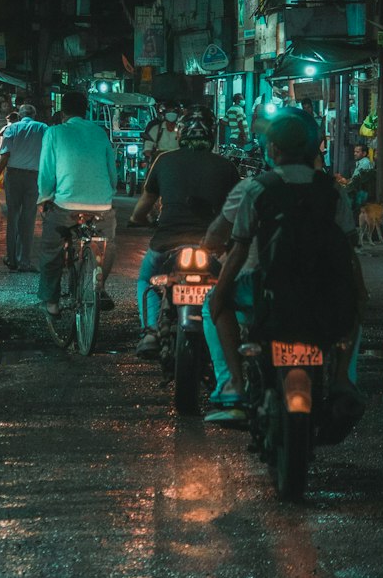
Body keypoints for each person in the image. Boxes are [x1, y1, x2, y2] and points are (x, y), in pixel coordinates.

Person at [207, 109, 367, 427]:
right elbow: (349, 252)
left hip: (265, 290)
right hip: (322, 288)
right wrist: (358, 293)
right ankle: (340, 380)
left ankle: (235, 386)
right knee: (355, 309)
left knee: (217, 304)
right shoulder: (333, 191)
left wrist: (219, 295)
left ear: (273, 150)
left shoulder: (257, 189)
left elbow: (238, 252)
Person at [128, 108, 239, 358]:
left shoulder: (164, 160)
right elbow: (236, 210)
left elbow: (141, 208)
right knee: (229, 286)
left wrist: (140, 220)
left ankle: (150, 332)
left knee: (146, 279)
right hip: (214, 246)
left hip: (167, 242)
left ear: (180, 135)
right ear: (212, 136)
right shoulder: (226, 166)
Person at [36, 90, 118, 314]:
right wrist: (108, 192)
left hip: (66, 206)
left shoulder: (54, 132)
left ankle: (51, 301)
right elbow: (113, 172)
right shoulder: (100, 133)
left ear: (63, 112)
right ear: (86, 111)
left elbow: (46, 171)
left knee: (51, 249)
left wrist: (44, 199)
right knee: (106, 244)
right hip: (102, 206)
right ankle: (98, 286)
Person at [0, 102, 47, 271]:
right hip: (34, 177)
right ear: (34, 115)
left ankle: (11, 259)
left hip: (13, 175)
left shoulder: (12, 129)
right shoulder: (43, 128)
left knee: (13, 217)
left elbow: (5, 155)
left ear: (20, 115)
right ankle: (24, 262)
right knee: (28, 219)